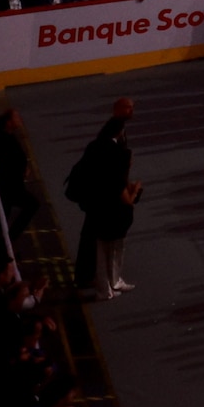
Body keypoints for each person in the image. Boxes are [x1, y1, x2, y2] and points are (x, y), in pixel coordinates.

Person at [70, 98, 145, 301]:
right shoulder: (111, 147)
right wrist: (133, 188)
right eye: (128, 107)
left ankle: (98, 279)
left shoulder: (103, 142)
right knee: (102, 246)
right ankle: (100, 281)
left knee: (98, 242)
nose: (131, 110)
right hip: (105, 204)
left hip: (98, 200)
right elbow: (121, 190)